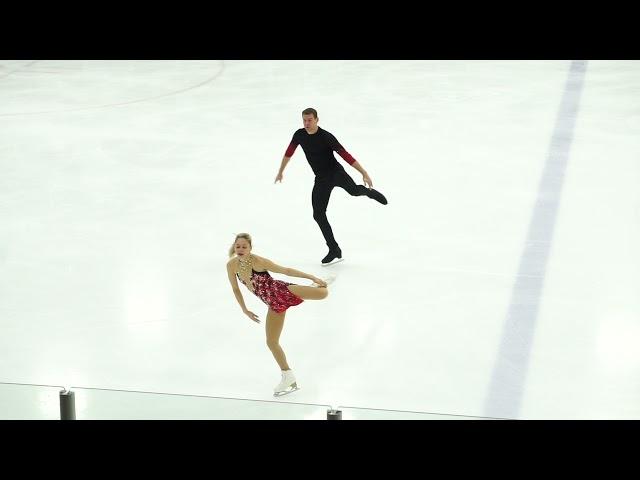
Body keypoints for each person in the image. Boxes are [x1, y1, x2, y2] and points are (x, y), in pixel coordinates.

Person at [274, 107, 388, 265]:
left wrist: (364, 172)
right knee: (318, 214)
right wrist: (281, 171)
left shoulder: (326, 137)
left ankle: (369, 192)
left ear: (316, 120)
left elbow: (345, 155)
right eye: (304, 120)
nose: (306, 123)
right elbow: (289, 152)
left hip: (337, 174)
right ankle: (334, 249)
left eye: (310, 120)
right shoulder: (299, 135)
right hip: (321, 179)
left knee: (354, 191)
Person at [226, 233, 333, 396]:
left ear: (250, 248)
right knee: (271, 342)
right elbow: (235, 288)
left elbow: (286, 270)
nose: (240, 249)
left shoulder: (258, 261)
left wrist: (312, 276)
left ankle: (317, 284)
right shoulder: (231, 265)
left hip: (281, 290)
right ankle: (288, 377)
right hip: (273, 303)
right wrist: (244, 309)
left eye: (244, 247)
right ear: (234, 247)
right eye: (238, 246)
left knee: (323, 294)